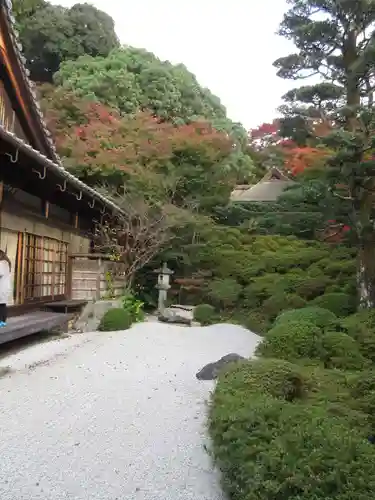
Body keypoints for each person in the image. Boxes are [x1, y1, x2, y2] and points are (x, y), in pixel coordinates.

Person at [0, 250, 11, 327]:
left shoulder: (2, 263)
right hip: (5, 287)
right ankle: (3, 322)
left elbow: (0, 273)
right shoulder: (7, 263)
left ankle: (1, 322)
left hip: (1, 287)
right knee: (3, 304)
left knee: (1, 305)